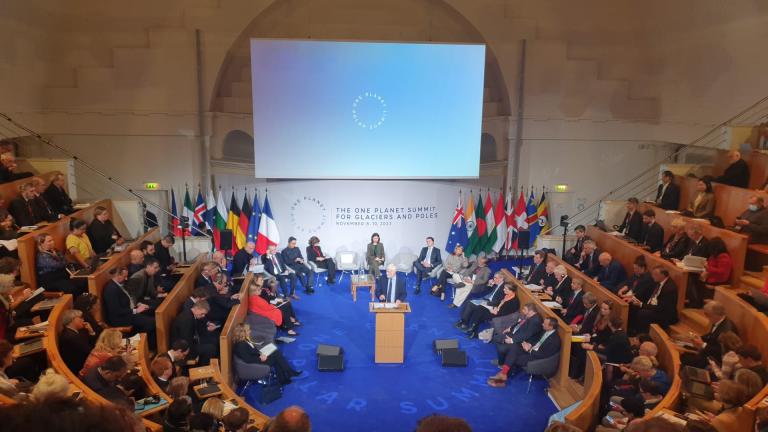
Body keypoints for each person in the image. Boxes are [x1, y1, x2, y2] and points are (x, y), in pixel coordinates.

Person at [488, 317, 561, 387]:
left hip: (537, 358)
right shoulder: (545, 331)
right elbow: (537, 340)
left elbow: (544, 355)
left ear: (551, 327)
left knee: (514, 358)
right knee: (514, 347)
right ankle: (503, 374)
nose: (542, 324)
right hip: (531, 350)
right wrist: (529, 344)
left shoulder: (555, 340)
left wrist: (529, 350)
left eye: (544, 324)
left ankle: (502, 378)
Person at [232, 323, 305, 385]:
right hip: (254, 362)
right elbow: (248, 359)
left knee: (275, 352)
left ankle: (284, 378)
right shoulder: (241, 345)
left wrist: (261, 352)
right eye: (248, 330)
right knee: (276, 357)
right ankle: (288, 373)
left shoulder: (244, 340)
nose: (250, 331)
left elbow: (251, 351)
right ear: (243, 333)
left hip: (258, 356)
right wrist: (260, 357)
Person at [102, 266, 156, 341]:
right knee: (152, 322)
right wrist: (135, 311)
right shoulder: (111, 289)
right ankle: (146, 344)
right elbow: (116, 311)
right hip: (120, 319)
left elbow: (129, 298)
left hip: (129, 312)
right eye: (125, 276)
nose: (126, 278)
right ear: (118, 275)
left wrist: (138, 304)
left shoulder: (119, 284)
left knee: (153, 309)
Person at [680, 301, 736, 368]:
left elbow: (720, 351)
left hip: (715, 359)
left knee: (684, 358)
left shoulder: (726, 330)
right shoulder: (718, 321)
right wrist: (699, 338)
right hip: (709, 350)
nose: (706, 316)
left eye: (707, 314)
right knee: (684, 348)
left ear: (716, 315)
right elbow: (711, 335)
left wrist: (703, 344)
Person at [630, 267, 679, 334]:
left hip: (665, 314)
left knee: (642, 313)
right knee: (633, 306)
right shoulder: (659, 281)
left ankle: (643, 335)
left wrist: (642, 304)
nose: (652, 276)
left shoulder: (669, 289)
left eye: (655, 274)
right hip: (655, 306)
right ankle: (632, 331)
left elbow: (660, 308)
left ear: (663, 275)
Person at [170, 300, 218, 366]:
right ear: (197, 308)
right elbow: (186, 340)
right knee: (211, 348)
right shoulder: (187, 319)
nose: (203, 316)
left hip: (190, 342)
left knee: (213, 339)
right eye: (202, 313)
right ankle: (202, 369)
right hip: (183, 349)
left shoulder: (190, 314)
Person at [59, 308, 97, 374]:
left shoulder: (72, 331)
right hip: (79, 369)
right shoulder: (72, 337)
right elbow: (90, 351)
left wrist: (91, 331)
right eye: (80, 318)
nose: (83, 320)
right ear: (72, 320)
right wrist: (92, 333)